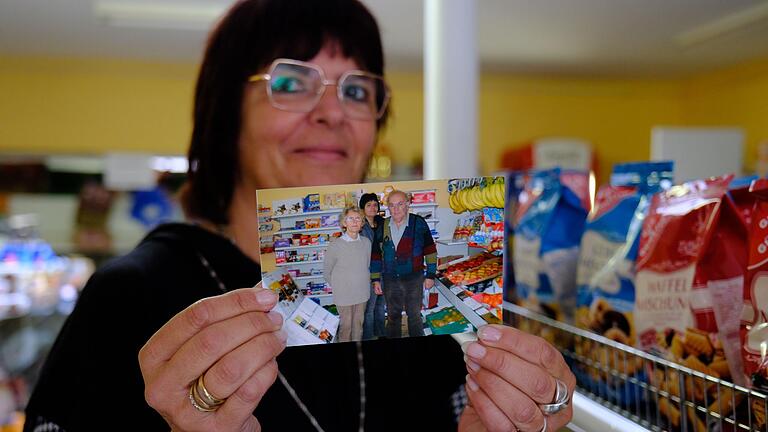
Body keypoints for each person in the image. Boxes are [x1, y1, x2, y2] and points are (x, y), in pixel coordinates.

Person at [24, 1, 576, 431]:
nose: (333, 112)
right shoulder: (129, 295)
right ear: (226, 116)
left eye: (357, 90)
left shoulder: (419, 303)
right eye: (290, 83)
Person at [370, 190, 435, 338]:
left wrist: (431, 275)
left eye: (400, 204)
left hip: (414, 277)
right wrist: (375, 279)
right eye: (392, 205)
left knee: (414, 315)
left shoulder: (418, 223)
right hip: (390, 279)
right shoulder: (383, 225)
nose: (396, 209)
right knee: (393, 316)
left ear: (407, 204)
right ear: (388, 208)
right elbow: (375, 254)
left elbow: (430, 250)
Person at [323, 207, 371, 342]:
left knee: (358, 325)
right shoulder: (336, 245)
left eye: (358, 218)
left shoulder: (366, 243)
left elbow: (365, 265)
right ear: (344, 223)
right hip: (343, 294)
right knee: (346, 326)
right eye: (351, 218)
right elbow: (327, 271)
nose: (355, 222)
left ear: (362, 223)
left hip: (362, 293)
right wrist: (340, 286)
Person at [359, 193, 386, 340]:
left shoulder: (383, 223)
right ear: (362, 208)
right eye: (368, 205)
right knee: (368, 308)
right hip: (367, 272)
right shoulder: (360, 226)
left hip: (384, 270)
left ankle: (381, 333)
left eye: (375, 204)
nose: (373, 208)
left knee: (380, 304)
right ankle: (368, 337)